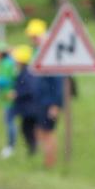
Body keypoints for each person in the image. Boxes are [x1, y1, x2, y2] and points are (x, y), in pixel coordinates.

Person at [26, 18, 64, 168]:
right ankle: (46, 162)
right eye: (31, 36)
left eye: (34, 36)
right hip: (40, 100)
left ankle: (50, 164)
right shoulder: (38, 51)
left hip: (49, 101)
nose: (32, 39)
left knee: (47, 132)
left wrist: (55, 104)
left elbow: (58, 80)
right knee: (40, 131)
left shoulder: (50, 53)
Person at [10, 45, 40, 156]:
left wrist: (17, 94)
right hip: (30, 107)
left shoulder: (27, 73)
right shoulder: (27, 71)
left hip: (30, 108)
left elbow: (30, 88)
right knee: (28, 128)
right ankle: (33, 148)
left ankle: (33, 149)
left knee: (27, 129)